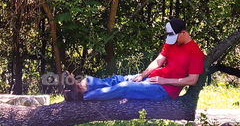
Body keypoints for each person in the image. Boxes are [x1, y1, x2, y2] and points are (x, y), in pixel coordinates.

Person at [63, 17, 205, 102]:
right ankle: (80, 86)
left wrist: (164, 81)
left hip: (165, 90)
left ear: (184, 33)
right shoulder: (171, 42)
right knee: (117, 79)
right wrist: (142, 75)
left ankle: (82, 96)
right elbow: (158, 61)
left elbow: (192, 80)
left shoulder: (195, 52)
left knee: (124, 88)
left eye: (174, 38)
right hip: (152, 79)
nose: (171, 41)